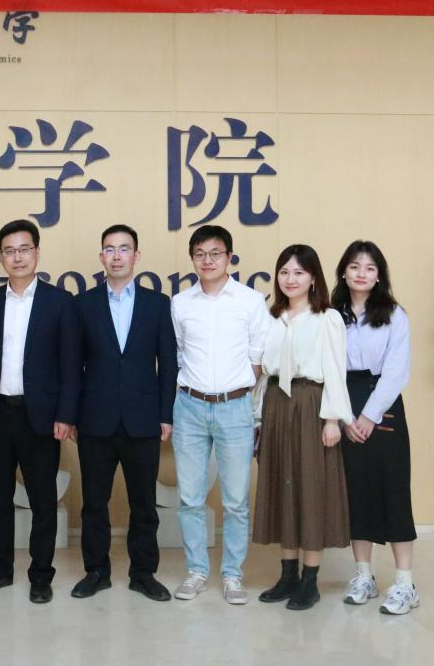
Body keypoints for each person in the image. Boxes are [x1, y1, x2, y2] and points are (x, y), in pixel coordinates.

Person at [0, 220, 80, 604]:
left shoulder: (59, 302)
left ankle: (41, 575)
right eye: (10, 251)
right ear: (1, 257)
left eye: (24, 249)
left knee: (43, 501)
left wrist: (65, 415)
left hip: (41, 418)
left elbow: (70, 364)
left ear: (37, 253)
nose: (17, 257)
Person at [70, 224, 177, 603]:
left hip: (143, 419)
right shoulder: (83, 304)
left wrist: (166, 414)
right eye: (110, 249)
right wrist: (72, 415)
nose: (117, 256)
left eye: (124, 248)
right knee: (93, 503)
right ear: (102, 257)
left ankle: (143, 574)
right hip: (94, 419)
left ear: (137, 256)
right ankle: (96, 572)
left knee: (143, 503)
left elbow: (168, 365)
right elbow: (72, 365)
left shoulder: (157, 304)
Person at [169, 225, 269, 605]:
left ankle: (232, 575)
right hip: (189, 407)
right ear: (192, 258)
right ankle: (197, 571)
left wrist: (235, 393)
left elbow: (258, 358)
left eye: (215, 253)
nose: (207, 260)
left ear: (229, 257)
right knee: (190, 497)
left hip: (235, 407)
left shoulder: (250, 301)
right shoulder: (181, 303)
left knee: (236, 500)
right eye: (200, 253)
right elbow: (179, 354)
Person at [253, 243, 353, 610]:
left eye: (298, 272)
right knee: (282, 486)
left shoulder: (327, 318)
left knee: (311, 488)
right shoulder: (271, 317)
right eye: (284, 272)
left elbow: (335, 370)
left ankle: (310, 580)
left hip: (311, 403)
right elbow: (263, 374)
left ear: (313, 278)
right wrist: (258, 418)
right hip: (276, 405)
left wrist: (332, 419)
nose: (290, 279)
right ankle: (287, 575)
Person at [332, 241, 419, 615]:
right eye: (354, 266)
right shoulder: (332, 315)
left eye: (369, 268)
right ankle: (364, 576)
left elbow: (396, 371)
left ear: (379, 274)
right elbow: (328, 369)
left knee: (393, 490)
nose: (361, 273)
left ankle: (405, 583)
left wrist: (368, 416)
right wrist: (343, 416)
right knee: (357, 492)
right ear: (344, 271)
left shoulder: (395, 315)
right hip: (343, 401)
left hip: (383, 404)